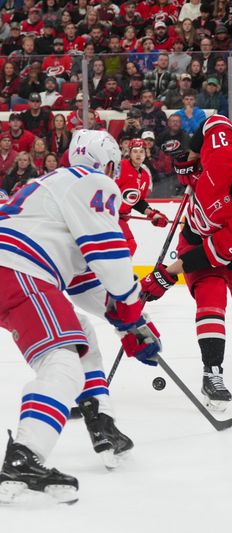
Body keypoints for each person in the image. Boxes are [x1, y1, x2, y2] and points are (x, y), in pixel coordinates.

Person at [0, 130, 161, 503]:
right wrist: (132, 311)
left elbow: (86, 280)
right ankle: (25, 456)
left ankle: (101, 421)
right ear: (106, 164)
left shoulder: (53, 188)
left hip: (16, 269)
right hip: (18, 270)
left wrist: (130, 322)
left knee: (81, 335)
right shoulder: (93, 182)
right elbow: (109, 256)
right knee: (62, 365)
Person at [139, 116, 232, 410]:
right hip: (195, 237)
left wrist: (165, 276)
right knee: (211, 299)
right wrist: (192, 158)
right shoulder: (226, 156)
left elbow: (208, 255)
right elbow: (216, 122)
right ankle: (213, 373)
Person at [116, 138, 168, 255]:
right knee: (128, 245)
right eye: (135, 151)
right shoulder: (120, 167)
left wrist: (152, 214)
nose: (138, 154)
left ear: (146, 153)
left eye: (141, 151)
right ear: (129, 152)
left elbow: (137, 201)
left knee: (129, 246)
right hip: (109, 216)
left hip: (120, 218)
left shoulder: (145, 176)